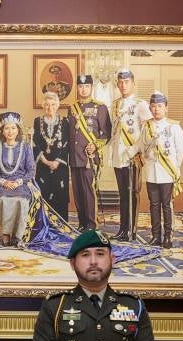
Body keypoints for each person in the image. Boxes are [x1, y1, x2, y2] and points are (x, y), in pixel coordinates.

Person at [128, 91, 183, 246]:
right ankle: (156, 236)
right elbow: (140, 144)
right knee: (153, 205)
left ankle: (168, 236)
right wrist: (128, 153)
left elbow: (181, 150)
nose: (156, 109)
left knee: (166, 205)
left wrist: (174, 168)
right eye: (153, 107)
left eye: (159, 106)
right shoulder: (146, 126)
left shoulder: (173, 127)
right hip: (151, 173)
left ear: (166, 108)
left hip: (166, 173)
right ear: (150, 108)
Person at [107, 69, 152, 242]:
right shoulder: (116, 104)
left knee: (132, 193)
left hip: (132, 156)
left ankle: (131, 230)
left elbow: (148, 131)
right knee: (122, 194)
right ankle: (122, 229)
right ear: (117, 84)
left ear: (133, 83)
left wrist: (136, 150)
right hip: (119, 156)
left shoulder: (140, 104)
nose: (123, 85)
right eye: (120, 82)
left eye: (126, 82)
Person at [67, 74, 112, 231]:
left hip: (89, 157)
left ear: (91, 88)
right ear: (77, 88)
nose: (83, 89)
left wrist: (96, 145)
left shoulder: (100, 107)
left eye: (86, 86)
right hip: (74, 156)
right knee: (78, 192)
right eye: (80, 86)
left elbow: (106, 133)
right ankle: (82, 223)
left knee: (89, 191)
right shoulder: (72, 108)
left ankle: (92, 225)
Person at [0, 111, 35, 247]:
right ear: (2, 131)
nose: (10, 131)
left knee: (21, 200)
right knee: (3, 200)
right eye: (7, 128)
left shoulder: (26, 147)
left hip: (20, 183)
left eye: (13, 128)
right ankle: (6, 234)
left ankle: (18, 235)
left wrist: (18, 182)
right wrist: (4, 182)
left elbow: (31, 170)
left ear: (18, 130)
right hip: (1, 184)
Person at [32, 91, 70, 221]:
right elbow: (35, 143)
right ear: (43, 106)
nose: (50, 108)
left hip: (60, 166)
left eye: (53, 104)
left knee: (60, 194)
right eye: (47, 105)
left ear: (58, 106)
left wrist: (56, 162)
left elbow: (66, 144)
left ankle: (61, 226)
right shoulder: (37, 121)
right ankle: (44, 224)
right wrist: (44, 160)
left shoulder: (65, 122)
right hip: (43, 165)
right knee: (44, 193)